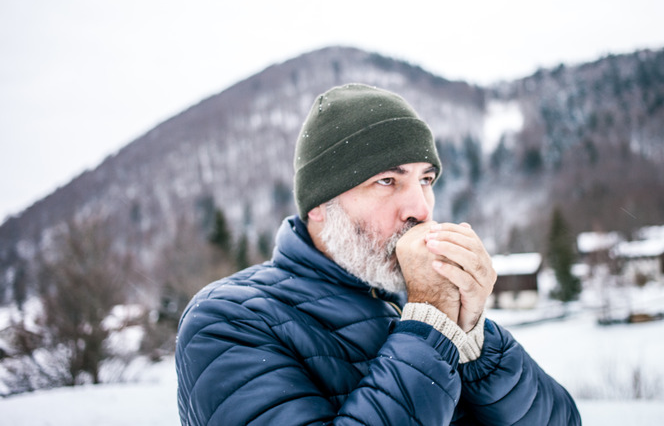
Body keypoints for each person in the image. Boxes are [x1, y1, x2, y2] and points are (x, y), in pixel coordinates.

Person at [175, 83, 581, 425]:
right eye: (387, 180)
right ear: (319, 204)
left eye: (426, 179)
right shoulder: (228, 320)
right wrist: (431, 331)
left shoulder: (414, 302)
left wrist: (475, 343)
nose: (421, 208)